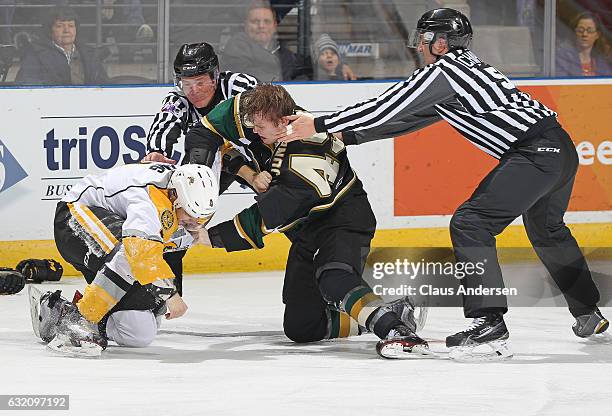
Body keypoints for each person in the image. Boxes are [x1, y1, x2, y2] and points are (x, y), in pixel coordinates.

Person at [278, 8, 609, 360]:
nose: (419, 47)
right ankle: (587, 311)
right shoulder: (465, 69)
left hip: (534, 153)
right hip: (559, 148)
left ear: (440, 43)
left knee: (471, 223)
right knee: (548, 231)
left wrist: (321, 122)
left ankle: (489, 324)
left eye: (423, 40)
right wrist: (348, 135)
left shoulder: (445, 71)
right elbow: (408, 120)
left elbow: (387, 105)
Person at [184, 83, 430, 359]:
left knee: (334, 277)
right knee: (302, 327)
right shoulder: (265, 119)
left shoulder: (307, 157)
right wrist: (245, 173)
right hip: (306, 233)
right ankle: (393, 311)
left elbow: (268, 216)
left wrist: (212, 237)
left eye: (260, 127)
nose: (253, 131)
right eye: (251, 124)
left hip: (342, 221)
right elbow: (209, 135)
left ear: (283, 123)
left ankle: (396, 330)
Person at [32, 163, 218, 356]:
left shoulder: (180, 189)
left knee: (139, 332)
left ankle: (61, 312)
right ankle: (78, 320)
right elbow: (137, 254)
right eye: (189, 219)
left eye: (200, 220)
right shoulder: (149, 202)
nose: (194, 225)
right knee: (129, 255)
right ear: (174, 196)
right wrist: (171, 295)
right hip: (74, 217)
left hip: (109, 229)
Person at [144, 42, 269, 295]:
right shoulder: (178, 99)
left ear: (216, 74)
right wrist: (157, 150)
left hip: (260, 155)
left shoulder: (239, 87)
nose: (194, 91)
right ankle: (168, 292)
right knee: (178, 214)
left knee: (288, 206)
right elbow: (164, 123)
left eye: (200, 82)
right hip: (221, 161)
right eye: (186, 83)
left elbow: (272, 118)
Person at [15, 5, 108, 85]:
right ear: (50, 30)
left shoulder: (89, 54)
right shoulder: (35, 54)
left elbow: (104, 86)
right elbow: (26, 85)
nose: (67, 30)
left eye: (71, 26)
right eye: (60, 26)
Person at [220, 0, 301, 82]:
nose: (261, 26)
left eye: (267, 21)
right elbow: (245, 77)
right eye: (255, 21)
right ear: (246, 25)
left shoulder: (286, 53)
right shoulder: (235, 48)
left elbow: (301, 75)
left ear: (275, 26)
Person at [556, 11, 611, 77]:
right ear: (574, 32)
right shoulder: (563, 57)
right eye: (581, 30)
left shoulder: (602, 62)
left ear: (597, 35)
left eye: (589, 31)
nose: (584, 34)